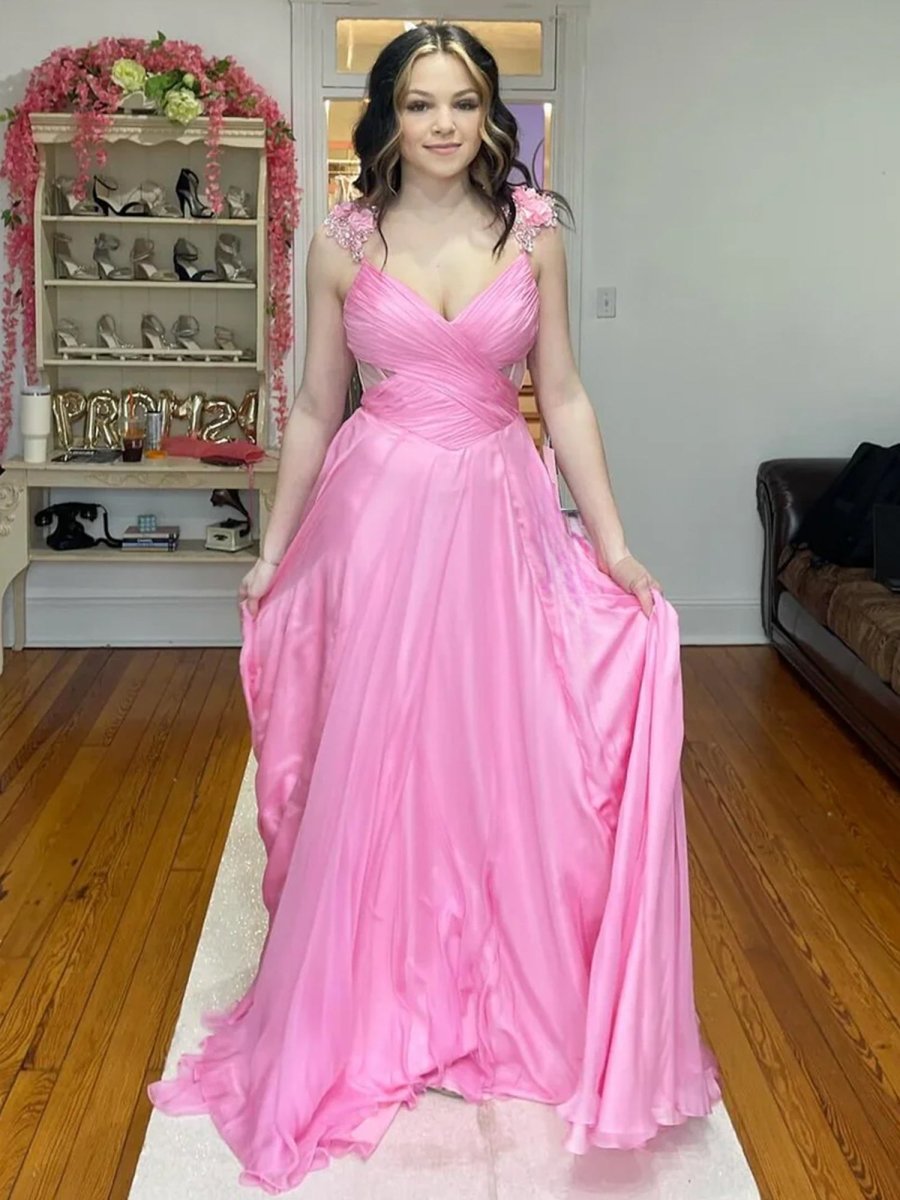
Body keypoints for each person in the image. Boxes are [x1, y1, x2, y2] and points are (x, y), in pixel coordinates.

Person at [148, 21, 722, 1193]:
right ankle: (375, 997)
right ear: (390, 116)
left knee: (500, 749)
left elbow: (563, 394)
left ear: (490, 112)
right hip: (379, 513)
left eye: (464, 101)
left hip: (500, 512)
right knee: (379, 754)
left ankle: (491, 990)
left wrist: (614, 545)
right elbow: (316, 406)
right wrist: (274, 548)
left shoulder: (537, 232)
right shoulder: (341, 241)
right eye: (421, 103)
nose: (445, 124)